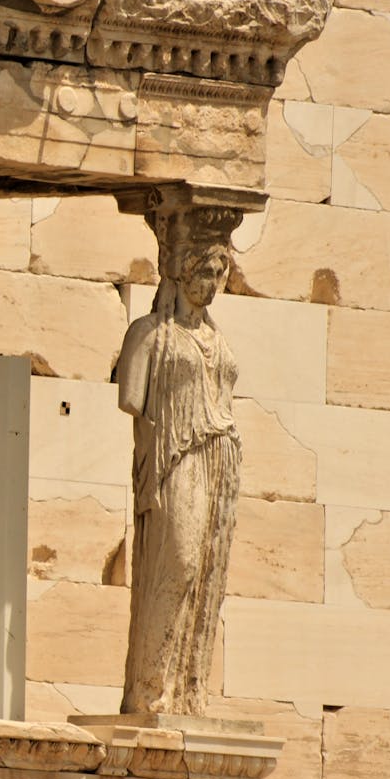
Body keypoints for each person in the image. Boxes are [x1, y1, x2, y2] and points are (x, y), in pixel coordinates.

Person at [114, 207, 243, 715]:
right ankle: (148, 687)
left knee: (207, 570)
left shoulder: (218, 340)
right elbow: (132, 397)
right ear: (181, 272)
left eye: (219, 273)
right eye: (203, 272)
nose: (211, 284)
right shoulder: (148, 334)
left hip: (220, 458)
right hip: (174, 457)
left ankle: (185, 691)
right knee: (180, 561)